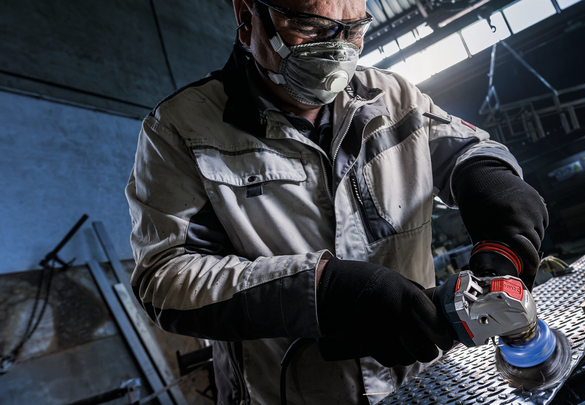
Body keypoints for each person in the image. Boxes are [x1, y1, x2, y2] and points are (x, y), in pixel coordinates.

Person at [125, 0, 548, 403]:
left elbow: (470, 151)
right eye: (310, 25)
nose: (338, 49)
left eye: (354, 28)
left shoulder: (394, 97)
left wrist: (495, 192)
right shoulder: (181, 130)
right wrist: (326, 292)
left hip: (423, 383)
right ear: (247, 13)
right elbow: (165, 282)